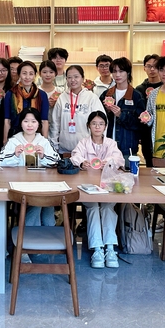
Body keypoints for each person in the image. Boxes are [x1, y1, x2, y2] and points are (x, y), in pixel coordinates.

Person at [70, 111, 125, 269]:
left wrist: (109, 162)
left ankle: (110, 248)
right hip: (89, 187)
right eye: (94, 123)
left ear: (105, 126)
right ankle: (97, 249)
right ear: (88, 125)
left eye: (101, 124)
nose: (97, 127)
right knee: (93, 207)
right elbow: (74, 156)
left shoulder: (111, 143)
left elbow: (119, 159)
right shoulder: (83, 142)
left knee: (107, 207)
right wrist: (82, 162)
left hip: (107, 186)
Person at [0, 107, 60, 227]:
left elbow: (58, 162)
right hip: (20, 185)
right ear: (21, 123)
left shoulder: (44, 141)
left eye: (33, 121)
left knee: (45, 203)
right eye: (26, 121)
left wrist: (43, 156)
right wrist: (15, 155)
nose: (29, 125)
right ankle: (36, 232)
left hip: (43, 184)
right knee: (39, 202)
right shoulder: (14, 141)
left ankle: (43, 230)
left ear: (38, 124)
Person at [49, 65, 104, 154]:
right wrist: (54, 146)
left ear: (82, 78)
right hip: (64, 150)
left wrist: (98, 146)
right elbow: (55, 123)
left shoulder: (91, 97)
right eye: (69, 77)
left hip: (87, 150)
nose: (73, 80)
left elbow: (101, 122)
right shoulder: (62, 98)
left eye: (76, 77)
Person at [101, 57, 145, 166]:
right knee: (105, 175)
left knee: (129, 175)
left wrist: (121, 115)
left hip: (127, 149)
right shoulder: (106, 94)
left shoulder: (136, 96)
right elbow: (98, 120)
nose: (117, 75)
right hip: (107, 148)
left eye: (121, 71)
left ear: (128, 72)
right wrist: (107, 111)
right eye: (114, 71)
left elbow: (140, 124)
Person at [3, 61, 49, 145]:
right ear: (19, 74)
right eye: (24, 73)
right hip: (15, 136)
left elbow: (44, 121)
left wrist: (45, 142)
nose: (27, 77)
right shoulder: (10, 94)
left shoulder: (42, 95)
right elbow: (7, 120)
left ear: (35, 75)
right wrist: (5, 141)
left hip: (35, 136)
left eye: (31, 74)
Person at [135, 54, 163, 166]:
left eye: (155, 66)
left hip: (162, 129)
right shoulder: (139, 89)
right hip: (145, 132)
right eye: (149, 66)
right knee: (149, 162)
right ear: (144, 68)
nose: (152, 69)